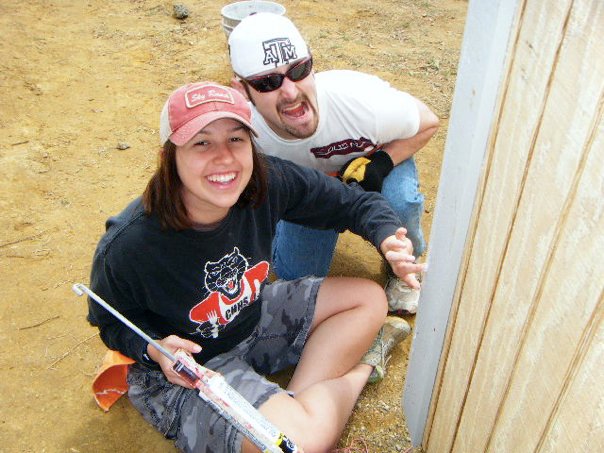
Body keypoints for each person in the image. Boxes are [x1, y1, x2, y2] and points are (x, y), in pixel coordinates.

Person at [86, 81, 424, 452]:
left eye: (236, 139)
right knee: (293, 444)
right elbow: (110, 321)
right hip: (192, 370)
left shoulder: (265, 180)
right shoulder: (130, 244)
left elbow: (352, 203)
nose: (224, 158)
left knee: (369, 299)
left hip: (253, 317)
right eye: (202, 143)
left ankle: (295, 409)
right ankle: (362, 371)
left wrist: (388, 237)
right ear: (169, 157)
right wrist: (153, 349)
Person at [227, 13, 439, 315]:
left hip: (370, 161)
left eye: (299, 70)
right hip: (307, 190)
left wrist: (381, 163)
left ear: (312, 64)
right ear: (242, 90)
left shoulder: (362, 104)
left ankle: (406, 264)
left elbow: (428, 122)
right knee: (297, 276)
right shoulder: (242, 135)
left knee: (400, 201)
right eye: (267, 82)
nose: (291, 92)